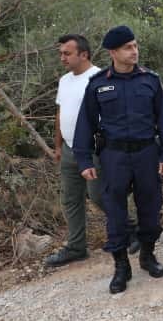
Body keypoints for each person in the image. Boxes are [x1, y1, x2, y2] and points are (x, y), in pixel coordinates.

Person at [73, 25, 163, 294]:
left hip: (146, 153)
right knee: (115, 212)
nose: (134, 51)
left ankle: (147, 255)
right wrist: (84, 160)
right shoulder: (98, 84)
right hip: (114, 156)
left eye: (135, 46)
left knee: (150, 208)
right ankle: (121, 266)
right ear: (113, 52)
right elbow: (85, 123)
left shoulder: (150, 80)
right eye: (128, 47)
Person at [46, 34, 140, 266]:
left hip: (94, 149)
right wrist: (57, 145)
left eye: (67, 53)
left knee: (99, 195)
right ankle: (76, 247)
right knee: (70, 199)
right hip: (69, 149)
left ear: (84, 54)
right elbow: (60, 114)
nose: (62, 58)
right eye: (61, 53)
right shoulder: (64, 81)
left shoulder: (100, 78)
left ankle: (132, 230)